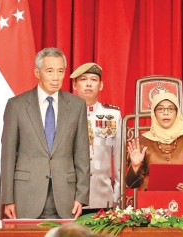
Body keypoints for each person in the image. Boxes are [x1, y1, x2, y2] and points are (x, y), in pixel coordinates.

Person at [1, 48, 90, 219]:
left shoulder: (77, 105)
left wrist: (82, 196)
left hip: (66, 198)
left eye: (60, 71)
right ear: (37, 72)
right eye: (50, 71)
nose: (56, 77)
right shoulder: (16, 106)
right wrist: (7, 199)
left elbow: (82, 154)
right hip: (25, 196)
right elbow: (8, 156)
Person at [126, 92, 183, 192]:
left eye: (171, 109)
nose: (166, 113)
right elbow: (132, 184)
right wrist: (135, 166)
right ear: (154, 113)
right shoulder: (141, 142)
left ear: (177, 113)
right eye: (160, 109)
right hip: (150, 204)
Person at [71, 63, 122, 212]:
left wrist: (117, 198)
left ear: (101, 85)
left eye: (93, 79)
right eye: (83, 79)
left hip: (102, 195)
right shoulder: (63, 114)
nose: (88, 84)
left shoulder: (113, 115)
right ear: (75, 85)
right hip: (70, 197)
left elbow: (118, 160)